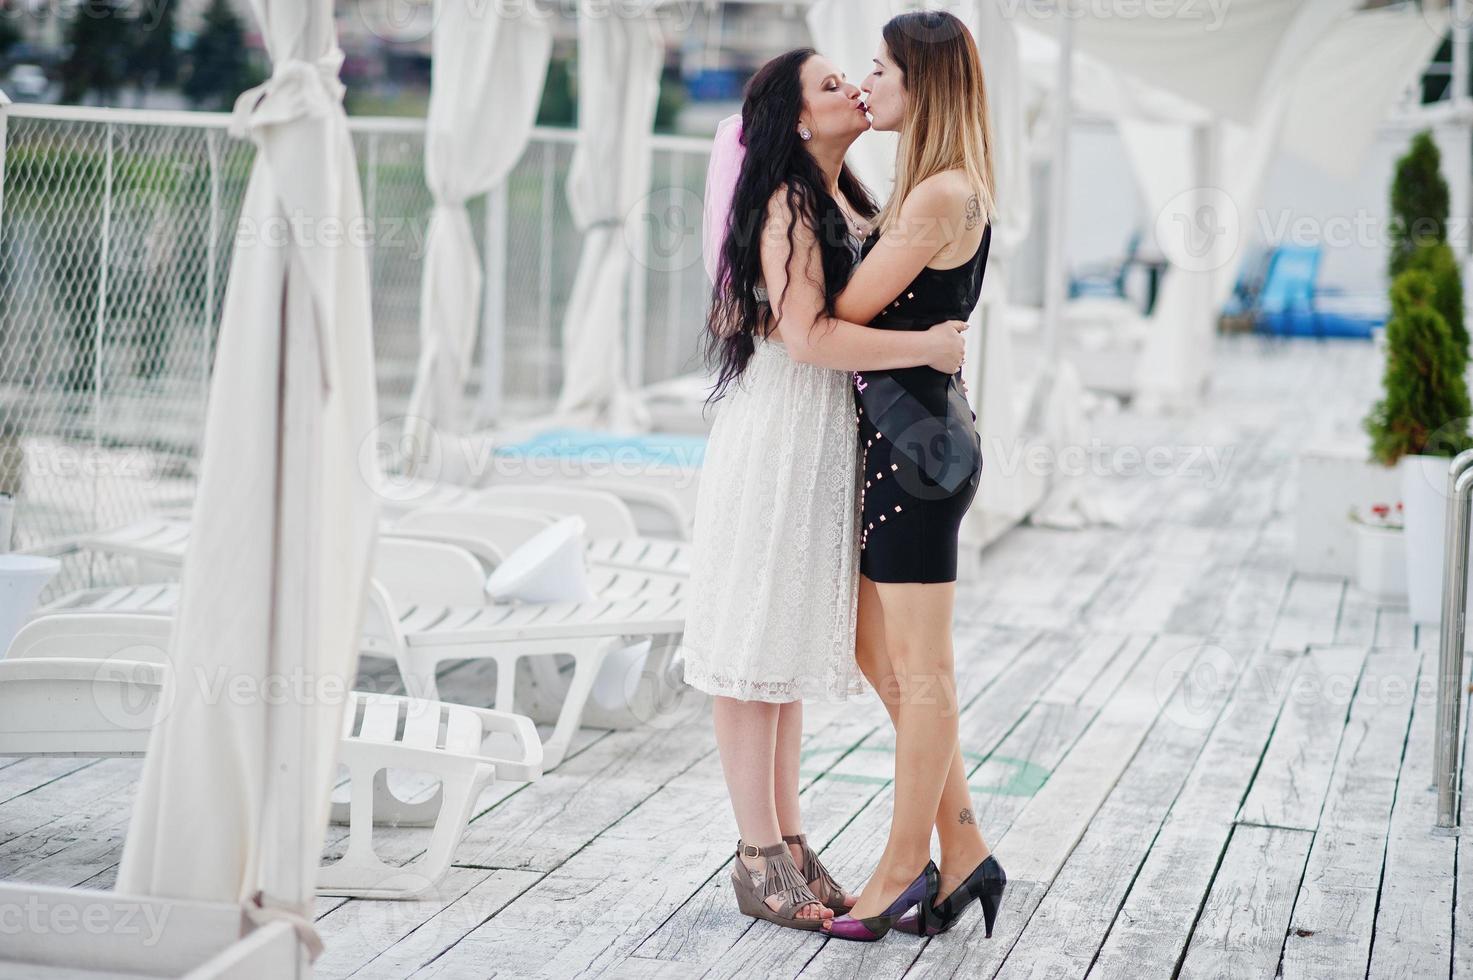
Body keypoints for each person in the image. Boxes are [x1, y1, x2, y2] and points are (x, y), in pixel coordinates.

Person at [678, 47, 967, 932]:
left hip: (820, 439)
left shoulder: (842, 198)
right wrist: (925, 349)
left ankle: (792, 843)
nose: (852, 88)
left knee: (786, 644)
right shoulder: (789, 203)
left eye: (854, 76)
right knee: (751, 644)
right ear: (798, 118)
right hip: (777, 431)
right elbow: (806, 338)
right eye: (830, 84)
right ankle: (757, 855)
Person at [819, 11, 1007, 942]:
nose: (869, 81)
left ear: (921, 84)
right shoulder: (933, 187)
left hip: (920, 451)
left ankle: (902, 867)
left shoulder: (938, 194)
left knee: (922, 671)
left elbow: (841, 308)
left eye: (882, 69)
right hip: (913, 441)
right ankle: (963, 845)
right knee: (879, 655)